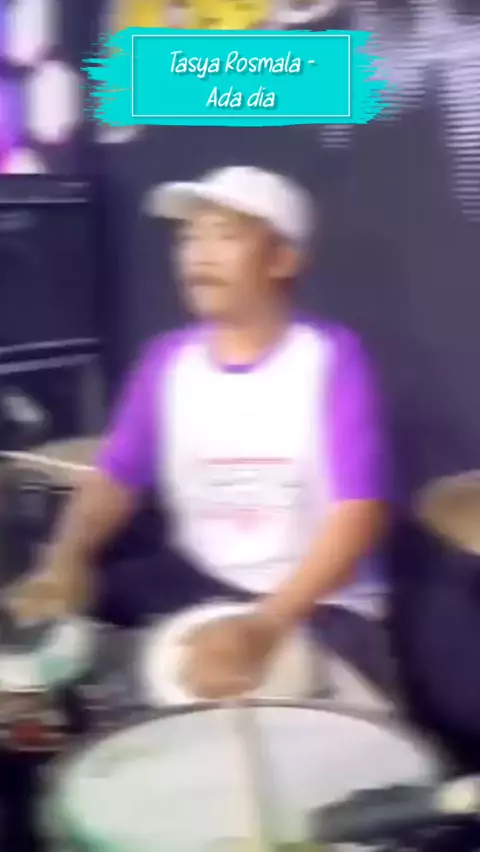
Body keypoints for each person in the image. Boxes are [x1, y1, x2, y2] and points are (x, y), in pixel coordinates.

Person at [10, 166, 393, 703]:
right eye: (189, 237)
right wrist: (65, 557)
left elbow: (358, 517)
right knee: (61, 645)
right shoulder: (166, 360)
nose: (199, 255)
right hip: (195, 577)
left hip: (318, 604)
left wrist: (265, 624)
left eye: (226, 235)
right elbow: (116, 478)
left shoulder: (333, 359)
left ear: (283, 259)